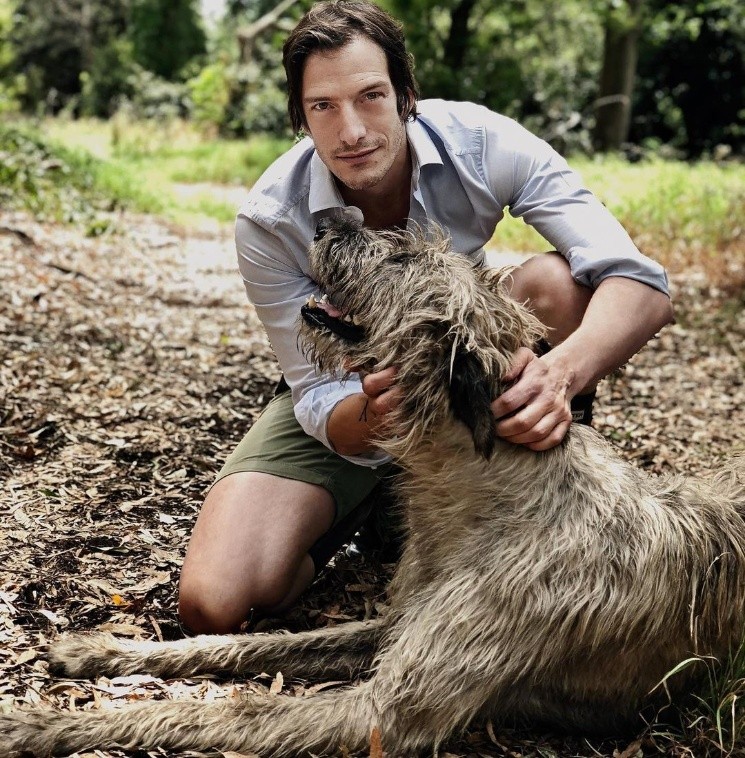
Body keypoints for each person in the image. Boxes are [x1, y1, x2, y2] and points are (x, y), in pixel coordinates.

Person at [178, 0, 674, 634]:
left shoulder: (483, 142)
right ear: (298, 117)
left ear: (407, 94)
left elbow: (640, 281)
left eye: (371, 96)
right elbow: (313, 388)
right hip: (358, 392)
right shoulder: (271, 218)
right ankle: (369, 511)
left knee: (557, 285)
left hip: (466, 373)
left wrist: (560, 375)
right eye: (323, 107)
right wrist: (373, 417)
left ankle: (535, 488)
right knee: (214, 602)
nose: (352, 131)